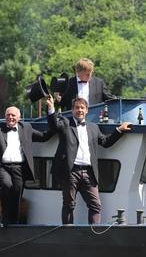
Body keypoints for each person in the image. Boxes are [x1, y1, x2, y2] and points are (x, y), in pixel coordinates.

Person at [45, 95, 131, 224]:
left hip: (89, 172)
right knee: (69, 205)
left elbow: (105, 142)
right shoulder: (66, 123)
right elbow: (54, 126)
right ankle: (67, 233)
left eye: (82, 108)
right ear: (72, 110)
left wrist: (119, 130)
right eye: (76, 108)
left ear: (87, 110)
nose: (79, 110)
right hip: (70, 171)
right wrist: (51, 108)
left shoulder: (93, 127)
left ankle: (94, 234)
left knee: (95, 205)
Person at [0, 106, 53, 225]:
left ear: (19, 117)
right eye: (8, 115)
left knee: (17, 190)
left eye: (13, 115)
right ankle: (5, 218)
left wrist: (55, 124)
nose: (10, 117)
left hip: (19, 167)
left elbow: (43, 137)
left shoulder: (26, 128)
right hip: (2, 166)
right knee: (7, 185)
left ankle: (13, 221)